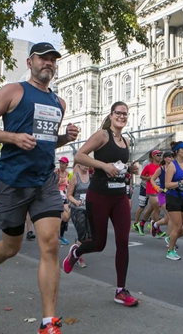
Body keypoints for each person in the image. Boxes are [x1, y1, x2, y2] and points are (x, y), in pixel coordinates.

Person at [0, 42, 78, 334]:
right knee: (12, 246)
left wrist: (64, 139)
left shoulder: (59, 103)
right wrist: (12, 137)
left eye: (53, 60)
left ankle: (49, 323)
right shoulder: (13, 91)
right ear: (31, 62)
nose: (49, 63)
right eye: (43, 59)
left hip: (44, 181)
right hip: (12, 181)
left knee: (50, 245)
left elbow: (45, 141)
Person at [63, 101, 140, 307]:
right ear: (111, 115)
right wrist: (103, 165)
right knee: (99, 243)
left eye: (125, 114)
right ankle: (76, 252)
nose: (122, 117)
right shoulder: (102, 135)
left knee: (123, 241)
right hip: (99, 195)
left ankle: (120, 290)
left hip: (119, 197)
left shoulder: (125, 141)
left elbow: (119, 167)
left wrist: (129, 170)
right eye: (118, 113)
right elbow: (80, 156)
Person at [66, 162, 91, 268]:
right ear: (79, 165)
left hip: (89, 209)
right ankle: (77, 257)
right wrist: (75, 202)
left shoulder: (91, 176)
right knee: (82, 235)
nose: (86, 166)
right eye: (84, 164)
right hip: (78, 210)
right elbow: (69, 195)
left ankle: (75, 251)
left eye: (87, 164)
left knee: (89, 237)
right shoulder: (75, 178)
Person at [150, 151, 175, 244]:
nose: (170, 159)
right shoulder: (161, 169)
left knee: (168, 219)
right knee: (170, 216)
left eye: (172, 157)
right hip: (162, 195)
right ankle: (170, 239)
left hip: (172, 194)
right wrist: (156, 188)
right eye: (168, 157)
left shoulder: (174, 169)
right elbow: (152, 179)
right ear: (165, 159)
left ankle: (155, 224)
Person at [138, 150, 163, 236]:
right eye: (157, 155)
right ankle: (157, 229)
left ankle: (141, 223)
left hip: (160, 189)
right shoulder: (148, 166)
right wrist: (148, 178)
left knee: (151, 209)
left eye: (160, 155)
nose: (159, 156)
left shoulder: (161, 166)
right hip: (151, 189)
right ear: (153, 157)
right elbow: (141, 176)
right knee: (157, 208)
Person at [57, 156, 71, 245]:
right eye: (60, 163)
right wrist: (58, 183)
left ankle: (61, 235)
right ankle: (58, 236)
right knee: (57, 218)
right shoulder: (55, 173)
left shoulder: (67, 174)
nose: (61, 165)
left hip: (64, 196)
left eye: (63, 163)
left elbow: (68, 184)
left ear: (66, 165)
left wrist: (68, 187)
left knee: (66, 217)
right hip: (55, 196)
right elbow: (50, 185)